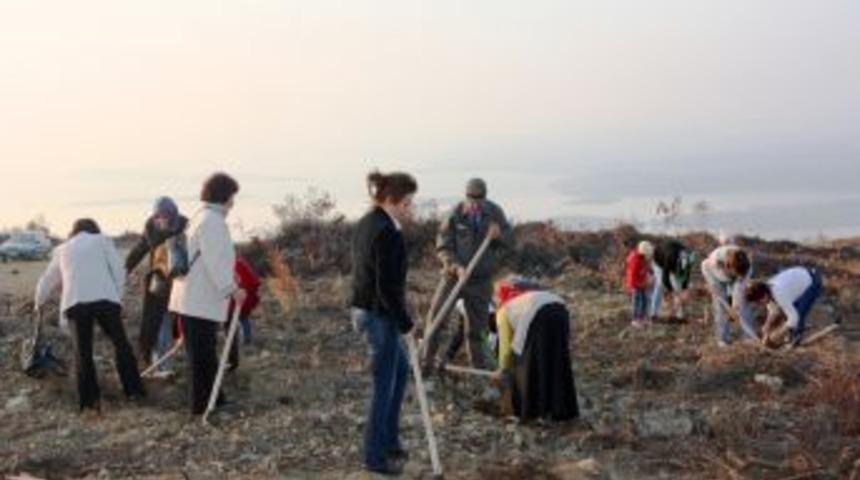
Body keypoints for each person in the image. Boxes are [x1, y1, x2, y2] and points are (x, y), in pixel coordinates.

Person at [35, 218, 145, 412]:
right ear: (94, 230)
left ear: (73, 231)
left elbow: (48, 279)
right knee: (121, 344)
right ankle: (134, 391)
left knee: (83, 352)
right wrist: (117, 297)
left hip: (76, 302)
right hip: (105, 298)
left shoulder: (63, 249)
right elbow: (119, 271)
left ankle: (89, 401)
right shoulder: (103, 241)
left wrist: (38, 302)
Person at [350, 170, 418, 476]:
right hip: (380, 315)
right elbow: (386, 287)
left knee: (400, 372)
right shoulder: (387, 232)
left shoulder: (368, 222)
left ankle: (390, 439)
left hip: (368, 310)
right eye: (407, 203)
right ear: (390, 200)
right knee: (384, 386)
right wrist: (406, 323)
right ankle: (376, 458)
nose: (410, 209)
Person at [169, 173, 245, 415]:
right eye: (232, 196)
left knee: (204, 355)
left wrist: (230, 278)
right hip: (199, 299)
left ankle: (214, 401)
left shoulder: (200, 217)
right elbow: (215, 261)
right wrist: (232, 289)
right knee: (202, 356)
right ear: (224, 196)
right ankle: (202, 406)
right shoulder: (212, 221)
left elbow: (209, 260)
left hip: (192, 298)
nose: (233, 202)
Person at [422, 178, 514, 372]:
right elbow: (443, 246)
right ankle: (426, 362)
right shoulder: (455, 215)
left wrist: (500, 236)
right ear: (466, 196)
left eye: (479, 199)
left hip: (480, 281)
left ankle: (478, 368)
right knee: (436, 318)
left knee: (478, 328)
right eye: (471, 198)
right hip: (453, 278)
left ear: (485, 197)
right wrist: (455, 266)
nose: (475, 203)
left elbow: (510, 242)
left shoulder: (495, 213)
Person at [491, 277, 579, 422]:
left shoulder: (503, 312)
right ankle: (562, 410)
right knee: (557, 361)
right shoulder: (522, 299)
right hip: (560, 307)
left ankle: (531, 412)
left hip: (538, 314)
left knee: (527, 366)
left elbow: (506, 348)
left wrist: (502, 369)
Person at [125, 197, 189, 376]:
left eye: (165, 215)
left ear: (173, 214)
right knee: (158, 323)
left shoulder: (186, 227)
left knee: (178, 324)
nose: (161, 219)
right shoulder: (151, 229)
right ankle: (159, 364)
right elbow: (139, 250)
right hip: (159, 284)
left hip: (182, 283)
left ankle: (167, 364)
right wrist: (125, 269)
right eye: (157, 216)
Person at [745, 266, 824, 348]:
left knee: (798, 315)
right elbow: (774, 311)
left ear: (764, 295)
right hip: (799, 281)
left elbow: (794, 318)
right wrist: (767, 326)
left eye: (759, 301)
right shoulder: (767, 290)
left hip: (813, 282)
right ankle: (791, 336)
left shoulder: (779, 293)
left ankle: (795, 339)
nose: (759, 304)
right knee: (787, 313)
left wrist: (779, 332)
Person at [701, 245, 756, 346]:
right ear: (728, 266)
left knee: (742, 303)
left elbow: (740, 289)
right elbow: (704, 266)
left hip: (735, 275)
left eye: (740, 275)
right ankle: (722, 338)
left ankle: (749, 337)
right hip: (715, 276)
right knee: (720, 306)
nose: (738, 276)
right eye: (736, 273)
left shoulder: (746, 268)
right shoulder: (714, 261)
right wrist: (712, 285)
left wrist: (735, 306)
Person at [225, 255, 262, 371]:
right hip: (240, 297)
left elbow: (251, 280)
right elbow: (254, 280)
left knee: (234, 322)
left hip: (238, 298)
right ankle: (246, 340)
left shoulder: (232, 264)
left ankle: (243, 342)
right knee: (243, 319)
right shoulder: (238, 262)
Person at [649, 239, 695, 321]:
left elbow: (685, 275)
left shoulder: (687, 259)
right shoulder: (669, 258)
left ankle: (679, 315)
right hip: (659, 260)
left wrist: (684, 289)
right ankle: (654, 314)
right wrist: (670, 291)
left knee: (678, 287)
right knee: (660, 285)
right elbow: (665, 278)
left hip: (672, 256)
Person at [625, 241, 654, 328]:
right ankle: (635, 319)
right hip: (635, 285)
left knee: (645, 300)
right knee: (637, 302)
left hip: (642, 282)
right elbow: (632, 277)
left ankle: (643, 318)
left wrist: (650, 271)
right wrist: (640, 285)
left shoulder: (643, 258)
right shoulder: (635, 261)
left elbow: (646, 266)